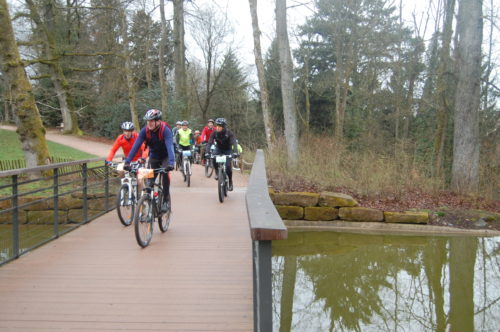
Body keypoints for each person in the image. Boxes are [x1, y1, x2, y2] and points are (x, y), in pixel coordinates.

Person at [124, 109, 175, 212]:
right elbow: (135, 146)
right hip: (154, 156)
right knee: (149, 181)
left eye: (151, 121)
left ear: (158, 121)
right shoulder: (145, 131)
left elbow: (170, 147)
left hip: (165, 156)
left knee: (165, 174)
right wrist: (127, 162)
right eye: (148, 121)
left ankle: (165, 200)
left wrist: (171, 163)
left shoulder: (165, 130)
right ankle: (149, 204)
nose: (149, 123)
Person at [207, 117, 239, 191]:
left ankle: (230, 181)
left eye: (219, 126)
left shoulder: (229, 133)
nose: (217, 128)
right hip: (218, 149)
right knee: (213, 158)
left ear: (224, 127)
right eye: (216, 126)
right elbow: (209, 143)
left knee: (228, 167)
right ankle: (217, 172)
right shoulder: (214, 133)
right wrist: (207, 152)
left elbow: (234, 143)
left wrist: (235, 152)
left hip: (228, 150)